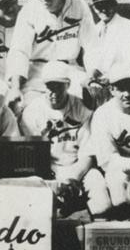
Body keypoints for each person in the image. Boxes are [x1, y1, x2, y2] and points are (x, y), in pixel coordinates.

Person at [7, 0, 95, 106]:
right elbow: (20, 51)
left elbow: (92, 46)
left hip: (69, 70)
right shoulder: (30, 9)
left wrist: (92, 76)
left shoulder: (79, 6)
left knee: (87, 102)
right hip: (38, 71)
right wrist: (15, 87)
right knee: (26, 106)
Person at [84, 65, 130, 219]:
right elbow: (107, 160)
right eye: (120, 88)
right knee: (118, 189)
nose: (126, 94)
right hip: (126, 169)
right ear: (111, 90)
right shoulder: (103, 115)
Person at [19, 62, 95, 214]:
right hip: (49, 170)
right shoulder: (32, 112)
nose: (54, 92)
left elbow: (88, 155)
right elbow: (32, 157)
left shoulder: (81, 108)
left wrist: (73, 178)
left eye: (59, 86)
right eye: (49, 86)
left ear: (68, 85)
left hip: (78, 169)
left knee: (102, 205)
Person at [84, 0, 130, 103]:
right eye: (99, 6)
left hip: (121, 85)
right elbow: (89, 58)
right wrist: (92, 77)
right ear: (93, 8)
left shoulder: (129, 27)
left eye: (107, 5)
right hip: (97, 87)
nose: (103, 10)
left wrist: (111, 77)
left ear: (115, 4)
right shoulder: (93, 30)